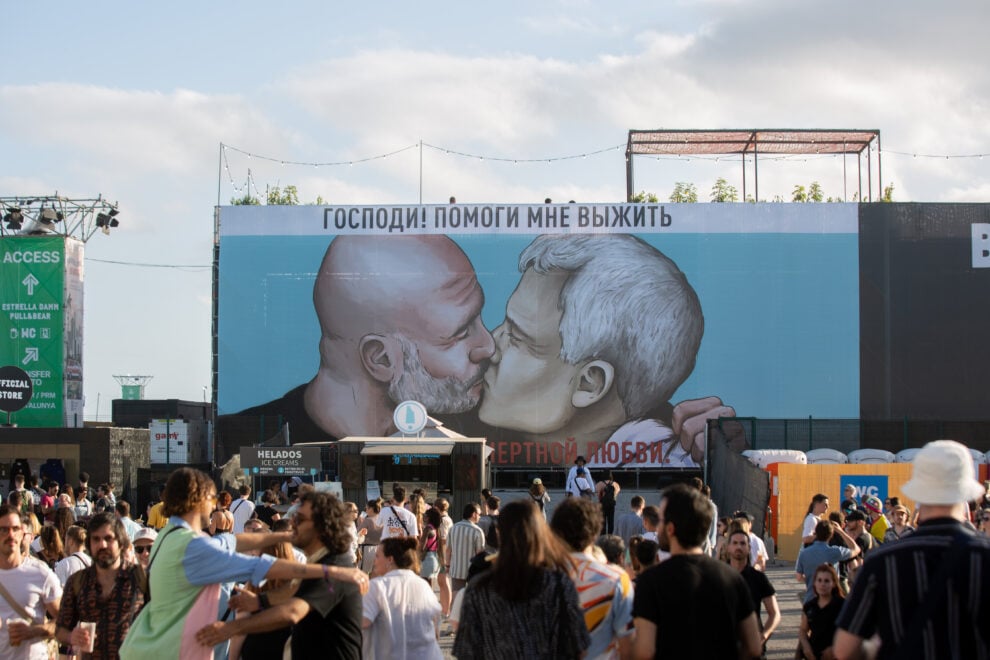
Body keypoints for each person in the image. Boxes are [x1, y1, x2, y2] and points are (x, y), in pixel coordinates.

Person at [477, 233, 732, 468]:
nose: (489, 347)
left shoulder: (683, 459)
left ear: (590, 384)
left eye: (517, 336)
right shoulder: (460, 419)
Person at [231, 235, 496, 441]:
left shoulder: (465, 428)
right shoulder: (239, 442)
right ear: (380, 358)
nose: (489, 346)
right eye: (461, 333)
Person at [120, 469, 368, 660]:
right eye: (214, 497)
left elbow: (293, 601)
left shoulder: (170, 535)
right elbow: (265, 568)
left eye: (299, 519)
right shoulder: (195, 546)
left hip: (154, 647)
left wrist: (281, 538)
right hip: (169, 651)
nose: (217, 503)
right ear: (200, 499)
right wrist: (329, 571)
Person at [834, 439, 990, 659]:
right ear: (967, 495)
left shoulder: (882, 561)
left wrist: (875, 649)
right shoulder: (983, 556)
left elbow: (843, 649)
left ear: (918, 495)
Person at [194, 491, 366, 660]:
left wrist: (233, 628)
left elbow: (293, 611)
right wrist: (260, 601)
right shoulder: (320, 562)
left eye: (299, 519)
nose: (292, 522)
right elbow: (294, 589)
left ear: (322, 526)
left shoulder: (334, 567)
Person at [632, 483, 761, 659]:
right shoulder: (732, 578)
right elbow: (753, 646)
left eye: (661, 520)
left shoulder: (650, 582)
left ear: (670, 529)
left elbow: (644, 651)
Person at [453, 499, 590, 660]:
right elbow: (578, 648)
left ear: (499, 532)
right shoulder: (560, 585)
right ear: (541, 532)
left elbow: (467, 652)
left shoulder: (478, 588)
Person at [550, 496, 635, 660]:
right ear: (596, 531)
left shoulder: (537, 578)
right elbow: (628, 646)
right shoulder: (616, 579)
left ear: (556, 532)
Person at [55, 513, 146, 660]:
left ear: (120, 543)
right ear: (89, 544)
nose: (102, 544)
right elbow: (60, 630)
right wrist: (72, 636)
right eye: (96, 539)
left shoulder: (140, 578)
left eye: (108, 538)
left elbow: (161, 621)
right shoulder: (78, 581)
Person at [362, 536, 443, 660]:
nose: (374, 561)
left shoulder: (377, 587)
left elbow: (361, 623)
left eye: (377, 556)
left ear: (390, 559)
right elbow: (435, 632)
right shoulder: (424, 586)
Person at [0, 504, 62, 657]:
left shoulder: (39, 572)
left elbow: (65, 620)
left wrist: (33, 631)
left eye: (15, 529)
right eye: (3, 530)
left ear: (22, 533)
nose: (11, 535)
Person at [725, 528, 781, 655]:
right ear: (728, 547)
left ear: (749, 548)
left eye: (743, 543)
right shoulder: (718, 576)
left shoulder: (758, 578)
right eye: (735, 543)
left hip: (752, 646)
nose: (738, 546)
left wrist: (764, 636)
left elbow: (775, 613)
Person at [795, 519, 860, 602]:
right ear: (831, 535)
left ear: (816, 533)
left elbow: (799, 577)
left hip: (811, 598)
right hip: (831, 599)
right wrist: (841, 531)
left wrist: (810, 579)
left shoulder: (804, 553)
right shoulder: (835, 552)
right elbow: (856, 549)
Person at [799, 563, 844, 660]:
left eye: (827, 581)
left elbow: (850, 631)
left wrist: (835, 648)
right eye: (819, 580)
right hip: (814, 654)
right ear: (814, 583)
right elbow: (803, 630)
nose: (822, 584)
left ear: (834, 583)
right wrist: (806, 647)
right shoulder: (809, 606)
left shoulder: (842, 604)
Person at [446, 502, 485, 596]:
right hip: (473, 572)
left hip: (456, 569)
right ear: (474, 514)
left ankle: (454, 611)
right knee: (472, 597)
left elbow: (448, 550)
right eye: (480, 514)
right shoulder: (477, 530)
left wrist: (447, 566)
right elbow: (480, 553)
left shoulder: (453, 528)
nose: (480, 517)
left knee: (456, 597)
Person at [357, 499, 383, 574]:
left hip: (367, 549)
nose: (366, 510)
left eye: (367, 508)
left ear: (371, 509)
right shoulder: (382, 520)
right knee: (376, 573)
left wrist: (359, 523)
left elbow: (358, 533)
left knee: (363, 573)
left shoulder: (368, 520)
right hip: (379, 548)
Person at [420, 508, 443, 583]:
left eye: (424, 515)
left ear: (428, 517)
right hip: (434, 558)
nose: (423, 517)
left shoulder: (427, 529)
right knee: (429, 586)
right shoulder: (436, 528)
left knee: (424, 587)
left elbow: (421, 547)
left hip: (426, 559)